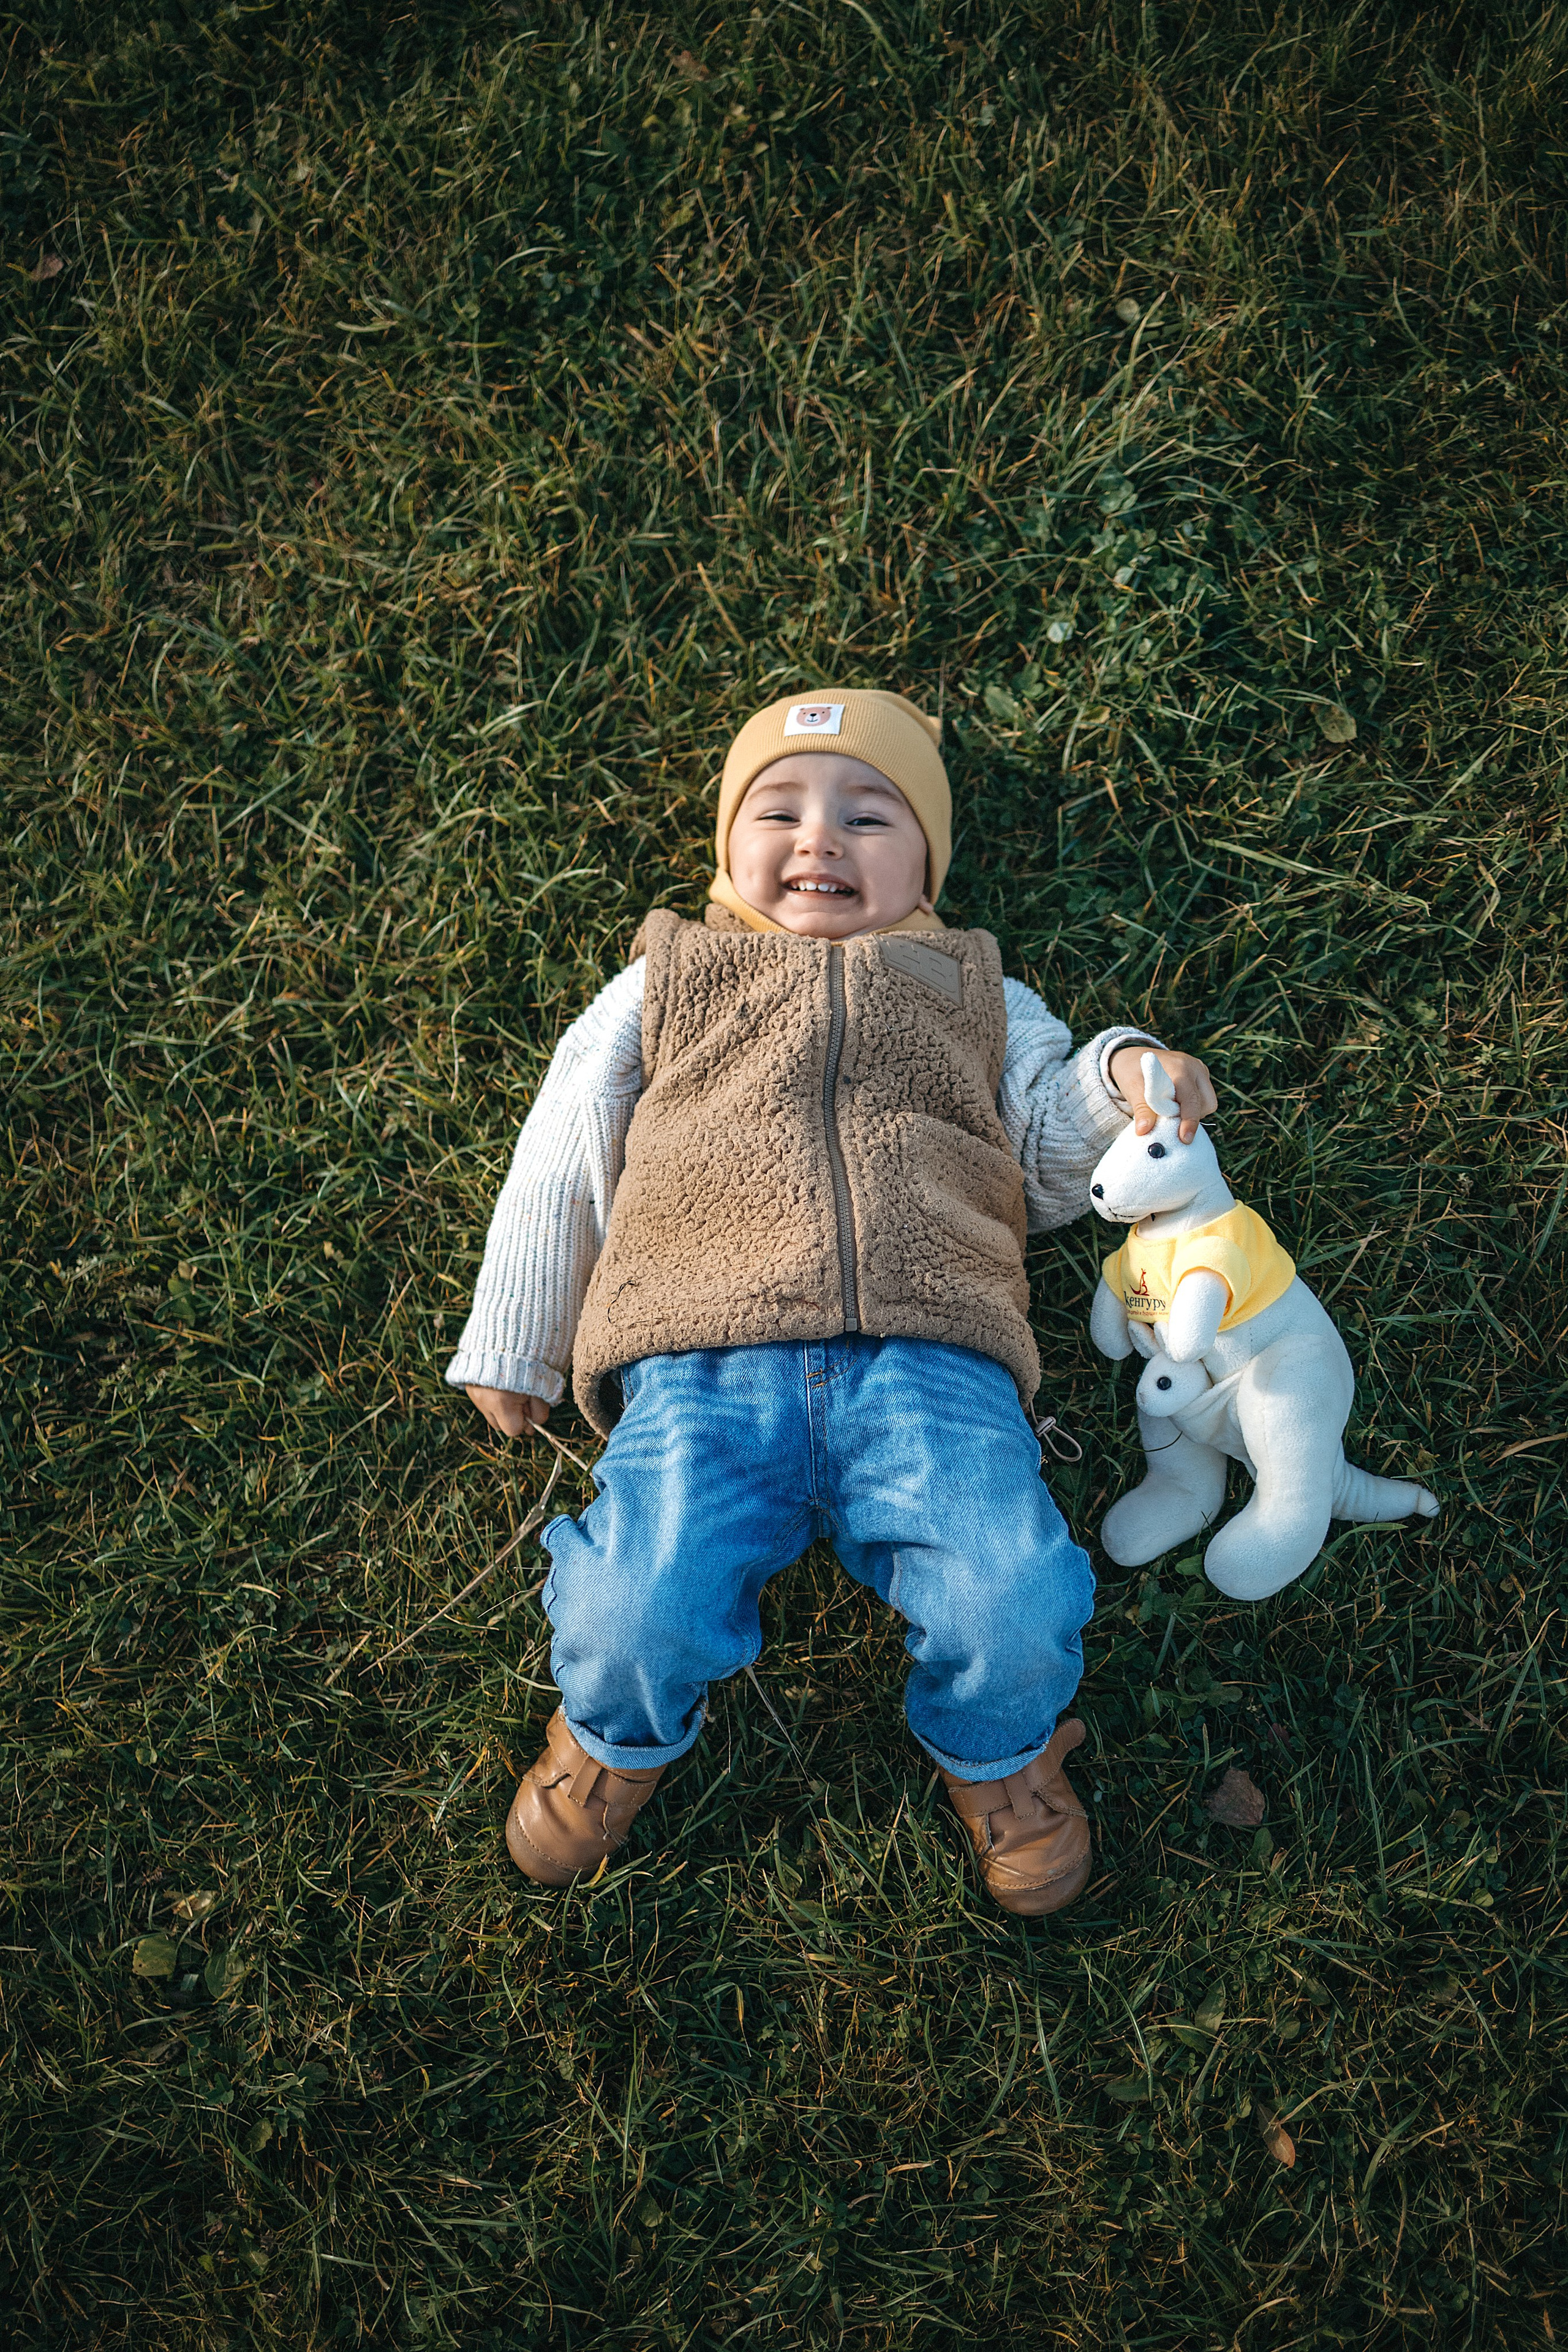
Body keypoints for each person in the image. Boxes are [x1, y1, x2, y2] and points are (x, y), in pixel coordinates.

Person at [447, 690, 1216, 1913]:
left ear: (925, 868)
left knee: (1009, 1595)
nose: (819, 840)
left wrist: (1124, 1077)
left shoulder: (974, 991)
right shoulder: (669, 982)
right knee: (632, 1599)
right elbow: (566, 1147)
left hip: (932, 1366)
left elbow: (1047, 1161)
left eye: (869, 815)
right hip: (700, 1359)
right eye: (780, 809)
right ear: (725, 849)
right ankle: (612, 1741)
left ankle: (1004, 1763)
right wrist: (518, 1335)